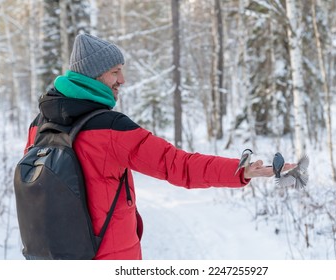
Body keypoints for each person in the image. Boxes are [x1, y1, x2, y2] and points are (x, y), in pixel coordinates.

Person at [24, 33, 295, 260]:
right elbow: (178, 165)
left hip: (54, 256)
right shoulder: (110, 127)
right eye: (115, 72)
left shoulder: (40, 123)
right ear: (93, 77)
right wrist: (241, 171)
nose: (123, 80)